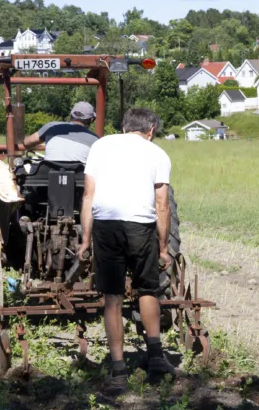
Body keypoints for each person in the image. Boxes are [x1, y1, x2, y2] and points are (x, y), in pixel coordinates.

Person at [78, 108, 175, 393]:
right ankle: (156, 358)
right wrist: (164, 247)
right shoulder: (157, 153)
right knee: (147, 290)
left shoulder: (99, 145)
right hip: (141, 227)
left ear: (123, 127)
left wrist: (85, 240)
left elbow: (88, 195)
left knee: (112, 297)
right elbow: (162, 205)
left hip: (106, 226)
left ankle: (118, 370)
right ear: (151, 129)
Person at [22, 102, 97, 163]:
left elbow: (26, 142)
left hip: (47, 178)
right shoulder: (95, 140)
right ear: (91, 120)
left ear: (71, 114)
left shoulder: (51, 127)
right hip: (79, 180)